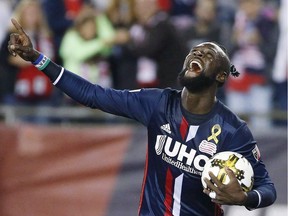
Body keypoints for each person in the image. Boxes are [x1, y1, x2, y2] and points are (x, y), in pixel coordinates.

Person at [7, 18, 276, 216]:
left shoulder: (232, 129)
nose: (197, 53)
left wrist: (246, 197)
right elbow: (92, 94)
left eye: (208, 54)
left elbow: (268, 188)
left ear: (221, 76)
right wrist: (37, 59)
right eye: (194, 51)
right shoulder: (157, 103)